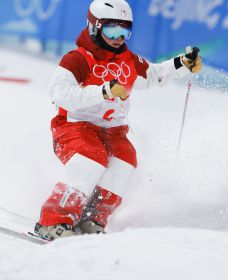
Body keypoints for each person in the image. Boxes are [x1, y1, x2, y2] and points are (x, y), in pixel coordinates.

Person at [34, 0, 202, 241]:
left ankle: (92, 218)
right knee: (91, 159)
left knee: (125, 160)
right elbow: (59, 94)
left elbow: (153, 75)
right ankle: (53, 220)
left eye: (125, 31)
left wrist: (182, 64)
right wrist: (102, 92)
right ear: (94, 27)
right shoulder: (78, 59)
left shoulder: (127, 60)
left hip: (113, 131)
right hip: (73, 128)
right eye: (112, 30)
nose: (119, 38)